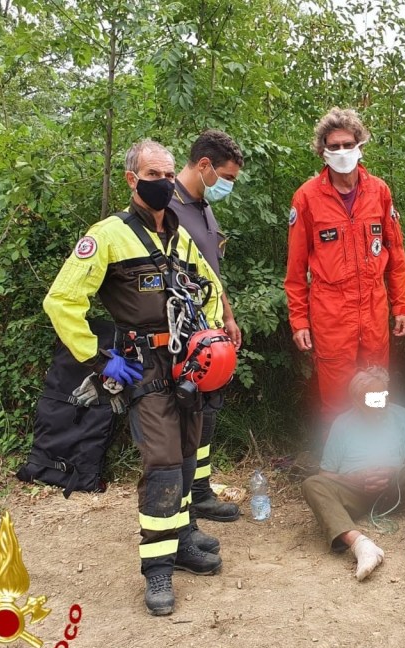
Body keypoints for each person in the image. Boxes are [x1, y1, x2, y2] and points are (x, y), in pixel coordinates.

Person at [43, 139, 228, 617]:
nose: (163, 183)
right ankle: (157, 567)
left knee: (186, 453)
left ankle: (181, 539)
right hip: (142, 366)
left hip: (187, 363)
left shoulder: (180, 237)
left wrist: (209, 338)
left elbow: (208, 287)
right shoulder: (108, 235)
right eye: (152, 175)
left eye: (167, 175)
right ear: (132, 179)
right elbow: (61, 301)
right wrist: (98, 358)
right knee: (162, 461)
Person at [284, 107, 405, 421]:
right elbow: (296, 269)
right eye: (334, 146)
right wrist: (299, 320)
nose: (342, 151)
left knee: (376, 390)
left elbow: (396, 256)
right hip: (331, 315)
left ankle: (377, 448)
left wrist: (400, 306)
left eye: (348, 144)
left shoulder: (379, 192)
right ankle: (339, 452)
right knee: (337, 398)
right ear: (323, 152)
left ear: (360, 146)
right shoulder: (306, 198)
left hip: (374, 310)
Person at [302, 367, 405, 580]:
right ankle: (362, 547)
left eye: (383, 396)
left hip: (395, 490)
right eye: (372, 399)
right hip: (355, 495)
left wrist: (393, 471)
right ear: (356, 401)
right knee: (311, 484)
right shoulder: (342, 424)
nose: (381, 403)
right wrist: (355, 479)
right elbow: (325, 474)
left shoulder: (400, 415)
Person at [171, 129, 245, 524]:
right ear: (204, 165)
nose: (229, 185)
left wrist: (228, 317)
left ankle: (199, 491)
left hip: (211, 332)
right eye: (227, 177)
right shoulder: (166, 207)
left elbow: (211, 273)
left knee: (208, 412)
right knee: (183, 419)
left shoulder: (203, 207)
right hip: (181, 334)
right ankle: (180, 504)